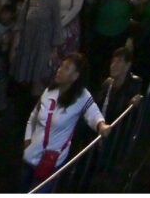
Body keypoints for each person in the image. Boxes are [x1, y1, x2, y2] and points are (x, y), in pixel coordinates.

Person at [21, 53, 109, 185]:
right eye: (61, 66)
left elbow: (93, 113)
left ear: (75, 76)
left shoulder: (82, 96)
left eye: (66, 68)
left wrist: (101, 125)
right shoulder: (49, 91)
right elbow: (34, 115)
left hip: (51, 161)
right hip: (30, 154)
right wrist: (27, 139)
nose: (59, 70)